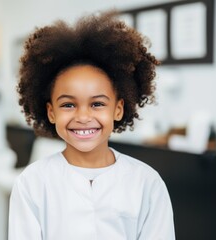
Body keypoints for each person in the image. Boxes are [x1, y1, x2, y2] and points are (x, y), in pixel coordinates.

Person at [9, 11, 175, 240]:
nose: (83, 116)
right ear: (51, 112)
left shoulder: (147, 183)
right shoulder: (32, 183)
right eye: (68, 105)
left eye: (97, 103)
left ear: (118, 109)